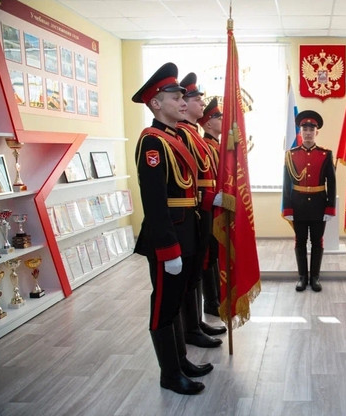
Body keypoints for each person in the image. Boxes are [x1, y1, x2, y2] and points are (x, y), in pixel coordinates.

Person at [132, 62, 213, 395]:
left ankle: (181, 361)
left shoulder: (175, 136)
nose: (183, 101)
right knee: (164, 306)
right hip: (169, 237)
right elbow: (154, 202)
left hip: (187, 230)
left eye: (183, 96)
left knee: (179, 300)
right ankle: (170, 374)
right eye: (175, 97)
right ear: (156, 103)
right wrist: (168, 249)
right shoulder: (152, 142)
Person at [176, 73, 226, 348]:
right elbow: (188, 182)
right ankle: (192, 326)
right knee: (197, 265)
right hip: (195, 210)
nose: (201, 103)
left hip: (203, 207)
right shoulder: (184, 135)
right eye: (197, 99)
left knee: (200, 264)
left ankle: (196, 322)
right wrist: (210, 200)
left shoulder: (193, 135)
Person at [282, 110, 336, 292]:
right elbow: (286, 184)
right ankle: (302, 277)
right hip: (298, 205)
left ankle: (315, 277)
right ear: (300, 131)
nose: (308, 133)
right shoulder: (291, 155)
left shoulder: (325, 154)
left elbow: (332, 183)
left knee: (317, 242)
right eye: (304, 129)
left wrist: (330, 208)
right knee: (300, 241)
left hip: (318, 205)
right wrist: (287, 208)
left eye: (311, 130)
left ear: (316, 132)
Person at [197, 97, 223, 316]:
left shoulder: (216, 146)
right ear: (207, 123)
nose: (222, 120)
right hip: (208, 207)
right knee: (208, 254)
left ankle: (218, 296)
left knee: (214, 253)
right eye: (218, 117)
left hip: (217, 204)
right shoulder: (206, 146)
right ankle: (211, 301)